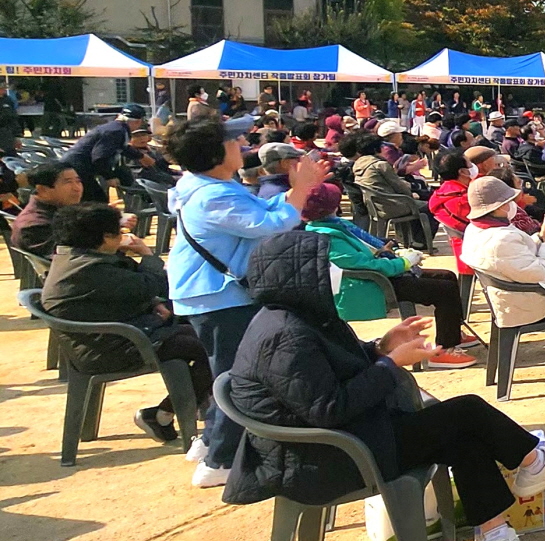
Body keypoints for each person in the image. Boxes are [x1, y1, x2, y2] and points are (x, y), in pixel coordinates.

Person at [224, 231, 545, 541]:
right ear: (298, 278)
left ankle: (496, 538)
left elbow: (333, 370)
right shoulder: (285, 336)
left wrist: (383, 346)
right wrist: (390, 363)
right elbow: (328, 408)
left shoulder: (299, 318)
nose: (335, 274)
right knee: (466, 411)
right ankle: (532, 462)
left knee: (463, 434)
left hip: (352, 436)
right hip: (327, 457)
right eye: (324, 268)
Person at [165, 116, 330, 488]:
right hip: (219, 296)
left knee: (223, 369)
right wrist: (300, 189)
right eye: (231, 141)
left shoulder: (203, 184)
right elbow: (270, 225)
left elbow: (265, 215)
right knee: (239, 377)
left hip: (209, 293)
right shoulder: (213, 195)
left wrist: (297, 190)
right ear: (215, 153)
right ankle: (219, 461)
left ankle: (209, 442)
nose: (240, 143)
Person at [41, 201, 212, 444]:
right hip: (112, 347)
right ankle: (163, 414)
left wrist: (152, 303)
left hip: (114, 335)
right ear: (105, 238)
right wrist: (147, 254)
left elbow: (128, 289)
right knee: (214, 344)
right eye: (118, 234)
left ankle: (174, 410)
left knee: (200, 334)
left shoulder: (77, 256)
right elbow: (154, 283)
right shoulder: (91, 268)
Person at [299, 182, 476, 363]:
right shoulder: (326, 236)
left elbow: (369, 246)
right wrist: (404, 263)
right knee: (443, 291)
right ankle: (442, 351)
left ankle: (453, 334)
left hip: (383, 273)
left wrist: (395, 252)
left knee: (446, 276)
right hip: (371, 283)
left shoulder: (336, 224)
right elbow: (364, 265)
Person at [460, 175, 545, 373]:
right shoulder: (501, 238)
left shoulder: (475, 229)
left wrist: (541, 237)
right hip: (530, 303)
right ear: (499, 207)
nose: (514, 205)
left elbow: (517, 258)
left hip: (508, 297)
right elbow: (539, 273)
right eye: (509, 202)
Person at [60, 106, 145, 202]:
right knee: (98, 202)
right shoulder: (116, 131)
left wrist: (140, 156)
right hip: (77, 168)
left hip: (77, 166)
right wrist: (109, 177)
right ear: (138, 122)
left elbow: (121, 147)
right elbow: (100, 158)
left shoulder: (116, 127)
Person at [12, 162, 83, 258]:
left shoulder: (58, 211)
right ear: (43, 190)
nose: (77, 188)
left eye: (78, 181)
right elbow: (72, 257)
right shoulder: (35, 226)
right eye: (68, 182)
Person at [427, 151, 476, 277]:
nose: (473, 167)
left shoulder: (442, 193)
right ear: (462, 172)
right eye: (470, 164)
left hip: (464, 252)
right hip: (477, 254)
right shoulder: (464, 200)